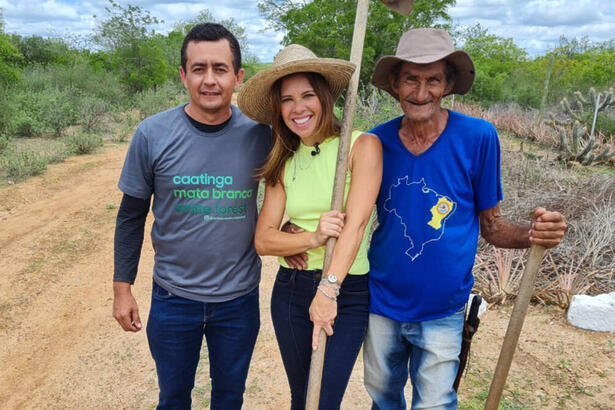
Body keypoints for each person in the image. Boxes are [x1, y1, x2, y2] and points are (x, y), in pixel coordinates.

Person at [362, 28, 567, 409]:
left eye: (433, 80)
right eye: (410, 78)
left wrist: (533, 233)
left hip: (445, 306)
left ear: (449, 84)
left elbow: (493, 226)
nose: (420, 93)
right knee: (382, 396)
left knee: (435, 403)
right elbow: (354, 216)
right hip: (382, 301)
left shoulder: (478, 137)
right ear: (394, 83)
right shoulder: (376, 142)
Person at [112, 23, 271, 409]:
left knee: (230, 397)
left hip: (238, 298)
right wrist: (122, 288)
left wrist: (295, 231)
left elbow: (293, 191)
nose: (210, 80)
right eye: (199, 68)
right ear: (184, 75)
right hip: (173, 296)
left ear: (238, 76)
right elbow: (131, 216)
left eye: (220, 68)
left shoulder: (262, 136)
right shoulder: (152, 134)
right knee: (172, 397)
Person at [237, 44, 383, 409]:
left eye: (307, 95)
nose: (298, 108)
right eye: (287, 100)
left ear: (324, 97)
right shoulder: (283, 161)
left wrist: (328, 290)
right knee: (302, 398)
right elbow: (263, 240)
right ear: (278, 108)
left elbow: (357, 224)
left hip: (346, 292)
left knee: (323, 400)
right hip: (291, 289)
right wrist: (312, 236)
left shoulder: (361, 146)